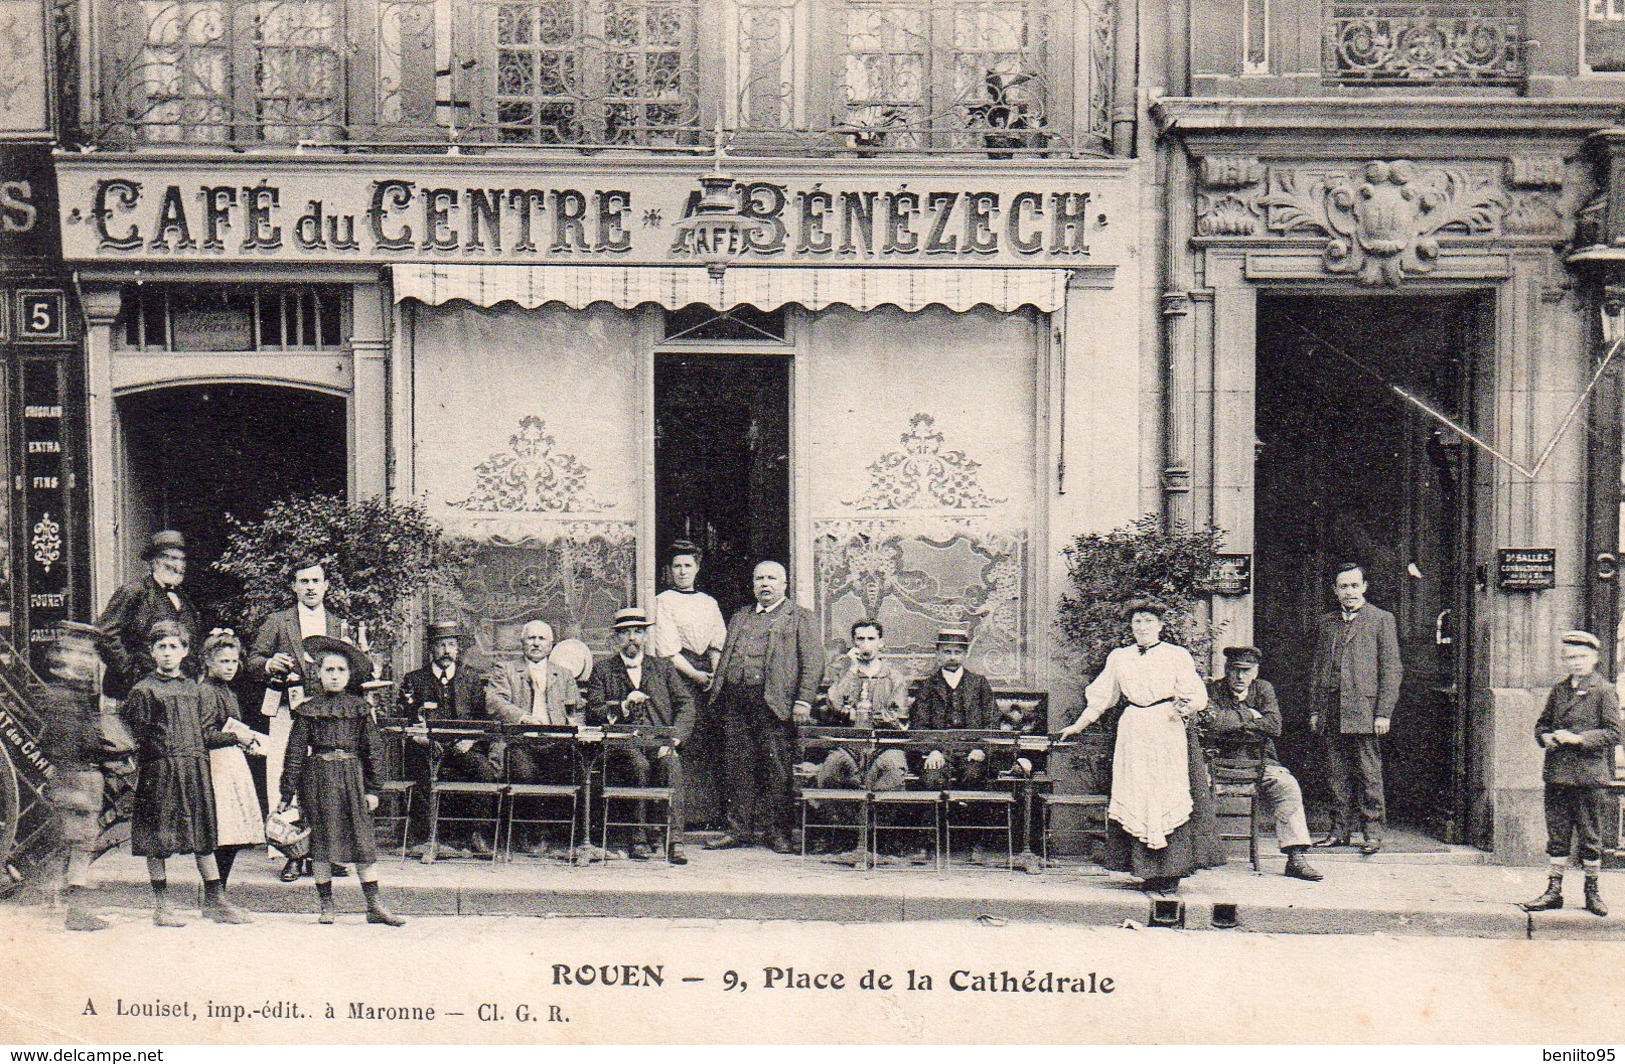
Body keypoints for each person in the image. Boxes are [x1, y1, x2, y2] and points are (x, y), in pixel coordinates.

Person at [1057, 602, 1222, 893]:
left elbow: (1197, 694)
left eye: (1148, 620)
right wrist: (1077, 726)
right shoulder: (1119, 657)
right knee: (1137, 790)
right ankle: (1144, 869)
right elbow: (1101, 698)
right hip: (1133, 726)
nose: (1142, 627)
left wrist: (1187, 705)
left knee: (1165, 792)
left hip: (1166, 724)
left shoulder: (1176, 655)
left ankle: (1171, 870)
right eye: (1136, 621)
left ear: (1160, 625)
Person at [121, 620, 250, 926]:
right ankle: (162, 905)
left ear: (185, 650)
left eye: (173, 647)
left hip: (194, 769)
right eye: (161, 647)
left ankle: (215, 900)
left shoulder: (193, 689)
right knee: (158, 839)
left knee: (203, 836)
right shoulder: (143, 690)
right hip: (160, 770)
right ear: (152, 652)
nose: (168, 653)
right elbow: (134, 737)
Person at [277, 636, 404, 926]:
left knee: (362, 843)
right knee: (320, 844)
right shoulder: (308, 710)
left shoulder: (359, 709)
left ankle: (374, 905)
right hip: (318, 782)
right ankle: (327, 905)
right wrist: (287, 793)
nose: (334, 676)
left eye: (341, 670)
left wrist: (373, 789)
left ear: (349, 675)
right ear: (319, 674)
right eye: (329, 670)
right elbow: (294, 753)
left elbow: (373, 750)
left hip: (352, 780)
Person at [246, 555, 351, 882]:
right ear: (293, 586)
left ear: (326, 586)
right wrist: (268, 663)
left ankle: (326, 852)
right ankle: (291, 854)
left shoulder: (337, 624)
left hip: (326, 714)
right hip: (286, 714)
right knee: (285, 776)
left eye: (315, 581)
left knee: (326, 778)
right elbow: (251, 661)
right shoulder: (278, 622)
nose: (310, 587)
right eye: (303, 581)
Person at [705, 560, 821, 854]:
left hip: (774, 704)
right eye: (759, 579)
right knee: (737, 768)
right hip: (736, 704)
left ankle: (777, 833)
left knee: (776, 770)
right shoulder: (741, 616)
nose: (765, 584)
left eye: (771, 578)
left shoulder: (799, 617)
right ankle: (737, 830)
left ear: (784, 585)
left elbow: (813, 663)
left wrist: (803, 700)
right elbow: (728, 655)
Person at [1198, 646, 1323, 882]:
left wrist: (1233, 722)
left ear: (1255, 672)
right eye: (1235, 670)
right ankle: (1196, 854)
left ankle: (1295, 856)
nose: (1240, 677)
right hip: (1218, 764)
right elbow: (1214, 724)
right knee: (1191, 787)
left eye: (1246, 671)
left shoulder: (1263, 689)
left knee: (1287, 786)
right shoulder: (1213, 690)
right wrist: (1252, 717)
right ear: (1226, 670)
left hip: (1260, 762)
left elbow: (1274, 726)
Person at [1521, 630, 1622, 917]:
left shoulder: (1603, 690)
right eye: (1570, 658)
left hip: (1589, 776)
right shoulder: (1559, 690)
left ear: (1594, 658)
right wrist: (1546, 737)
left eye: (1581, 657)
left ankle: (1592, 892)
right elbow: (1541, 725)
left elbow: (1615, 733)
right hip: (1558, 775)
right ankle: (1554, 891)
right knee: (1558, 835)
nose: (1575, 663)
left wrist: (1578, 739)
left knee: (1591, 836)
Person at [584, 608, 696, 864]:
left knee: (671, 764)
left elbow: (686, 704)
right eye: (625, 633)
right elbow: (593, 712)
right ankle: (639, 838)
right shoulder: (603, 670)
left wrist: (673, 740)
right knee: (638, 765)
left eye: (637, 632)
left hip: (658, 742)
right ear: (616, 639)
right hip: (622, 745)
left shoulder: (663, 667)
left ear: (645, 636)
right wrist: (623, 705)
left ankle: (674, 841)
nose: (632, 638)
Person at [1308, 562, 1402, 856]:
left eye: (1353, 585)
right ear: (1334, 590)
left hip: (1364, 710)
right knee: (1335, 773)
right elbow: (1317, 670)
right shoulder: (1326, 623)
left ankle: (1372, 833)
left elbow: (1391, 669)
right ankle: (1339, 831)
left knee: (1367, 773)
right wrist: (1315, 710)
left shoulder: (1381, 619)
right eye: (1342, 586)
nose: (1348, 592)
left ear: (1364, 587)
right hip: (1331, 708)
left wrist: (1383, 712)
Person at [398, 620, 498, 857]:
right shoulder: (414, 680)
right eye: (440, 644)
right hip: (427, 750)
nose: (446, 650)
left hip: (462, 749)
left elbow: (481, 720)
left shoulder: (470, 679)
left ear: (458, 649)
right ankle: (426, 837)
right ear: (431, 649)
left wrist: (470, 741)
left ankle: (477, 835)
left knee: (483, 770)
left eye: (451, 644)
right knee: (421, 772)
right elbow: (406, 719)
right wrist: (421, 738)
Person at [40, 622, 115, 931]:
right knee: (81, 844)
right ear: (63, 658)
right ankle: (76, 910)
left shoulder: (71, 692)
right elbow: (68, 738)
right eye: (79, 653)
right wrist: (102, 745)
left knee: (75, 843)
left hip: (74, 775)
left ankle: (60, 900)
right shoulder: (64, 697)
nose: (87, 660)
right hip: (77, 775)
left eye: (89, 653)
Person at [485, 619, 580, 855]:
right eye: (531, 638)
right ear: (522, 642)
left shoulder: (564, 675)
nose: (536, 644)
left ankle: (566, 836)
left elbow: (577, 710)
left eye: (541, 639)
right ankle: (530, 833)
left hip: (555, 743)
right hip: (519, 742)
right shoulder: (505, 669)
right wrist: (523, 717)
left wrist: (575, 726)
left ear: (551, 644)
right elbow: (494, 701)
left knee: (576, 768)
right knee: (525, 774)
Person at [651, 540, 728, 826]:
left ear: (697, 569)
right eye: (677, 566)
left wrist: (715, 677)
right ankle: (681, 819)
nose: (682, 572)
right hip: (679, 676)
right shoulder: (663, 601)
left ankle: (706, 815)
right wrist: (697, 676)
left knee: (706, 742)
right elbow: (667, 650)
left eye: (688, 566)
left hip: (708, 678)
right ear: (669, 570)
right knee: (682, 740)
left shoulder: (709, 602)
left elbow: (717, 642)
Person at [96, 530, 201, 700]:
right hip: (137, 693)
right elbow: (103, 634)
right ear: (154, 561)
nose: (178, 565)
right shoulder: (134, 592)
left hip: (177, 693)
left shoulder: (185, 599)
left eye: (182, 559)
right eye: (171, 558)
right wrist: (131, 670)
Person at [200, 629, 265, 888]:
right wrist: (238, 738)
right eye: (224, 661)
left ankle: (219, 892)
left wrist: (246, 740)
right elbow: (205, 735)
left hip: (231, 764)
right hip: (218, 767)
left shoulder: (227, 690)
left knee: (235, 835)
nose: (230, 667)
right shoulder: (206, 691)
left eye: (234, 661)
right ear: (208, 661)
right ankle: (215, 893)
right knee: (226, 834)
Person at [913, 626, 1000, 791]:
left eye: (957, 652)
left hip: (972, 751)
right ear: (938, 653)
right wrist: (933, 750)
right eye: (947, 652)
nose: (952, 657)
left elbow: (991, 721)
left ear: (965, 654)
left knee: (974, 777)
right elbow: (919, 724)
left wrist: (980, 748)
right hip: (939, 751)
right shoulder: (927, 686)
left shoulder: (979, 684)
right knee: (932, 779)